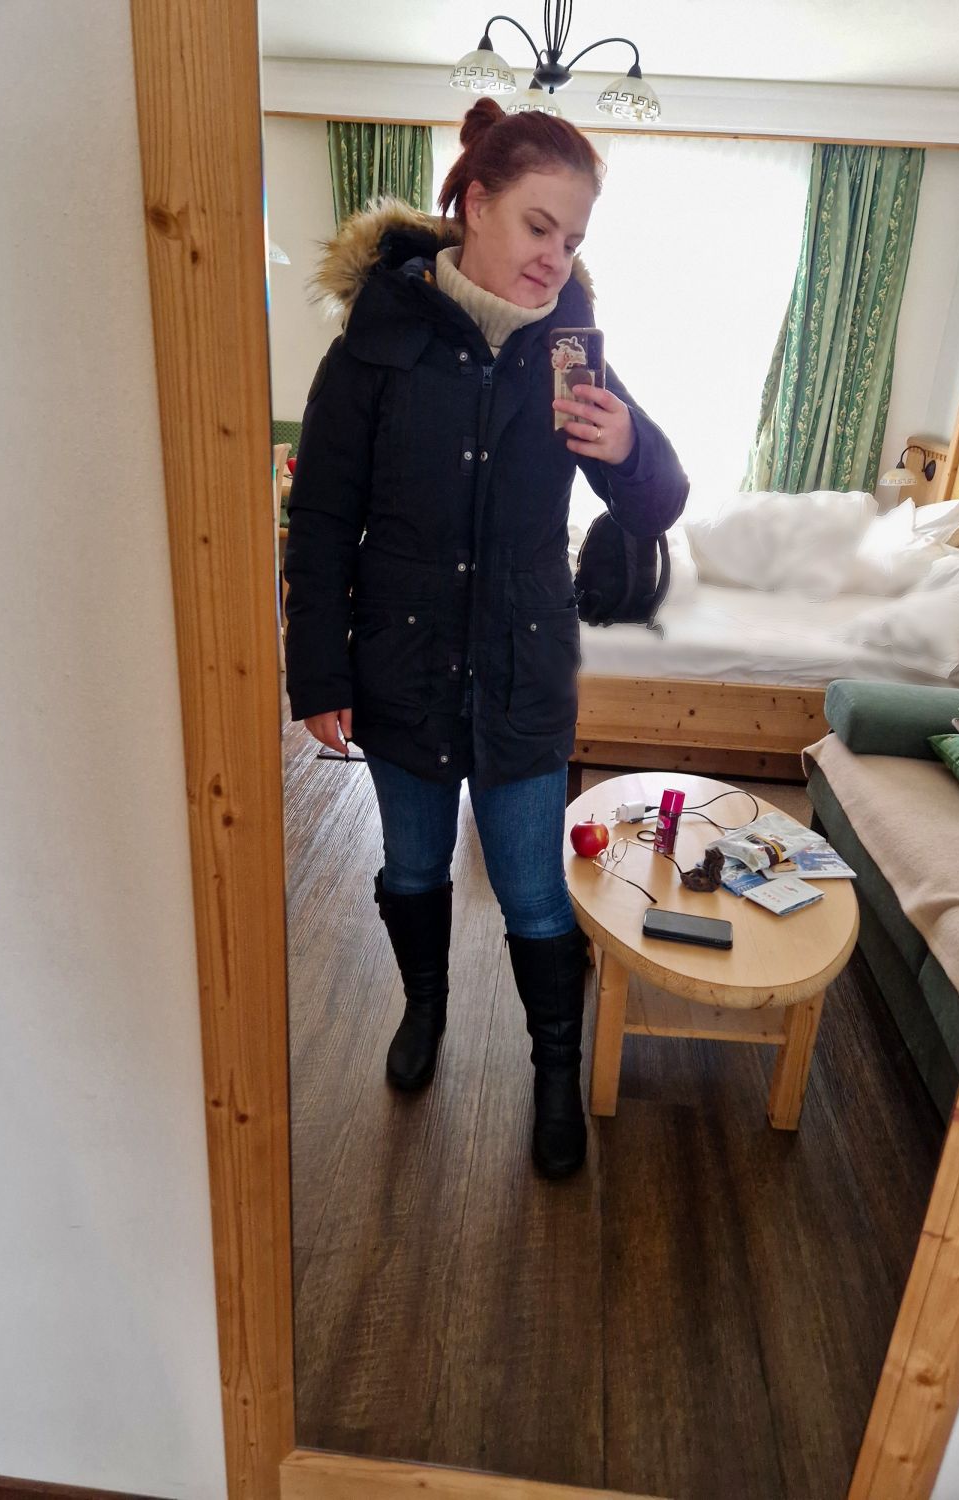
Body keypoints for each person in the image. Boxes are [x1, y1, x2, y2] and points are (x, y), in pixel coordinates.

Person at [284, 98, 688, 1179]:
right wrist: (317, 668)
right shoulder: (376, 341)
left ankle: (552, 1069)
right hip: (401, 660)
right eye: (538, 226)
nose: (556, 258)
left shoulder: (570, 353)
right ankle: (425, 1010)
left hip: (520, 664)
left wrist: (628, 445)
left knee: (533, 887)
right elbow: (320, 518)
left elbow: (658, 501)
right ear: (472, 204)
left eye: (575, 239)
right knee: (412, 865)